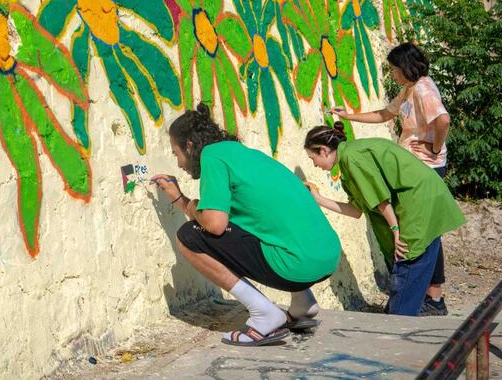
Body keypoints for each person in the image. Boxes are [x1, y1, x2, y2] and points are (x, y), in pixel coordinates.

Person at [151, 103, 342, 346]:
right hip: (326, 256)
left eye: (176, 154)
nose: (178, 163)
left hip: (297, 267)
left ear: (189, 146)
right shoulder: (245, 154)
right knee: (261, 223)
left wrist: (184, 202)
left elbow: (214, 225)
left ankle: (265, 314)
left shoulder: (212, 155)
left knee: (188, 236)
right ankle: (303, 304)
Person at [332, 42, 452, 315]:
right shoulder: (409, 89)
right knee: (426, 230)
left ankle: (432, 297)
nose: (393, 75)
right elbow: (385, 114)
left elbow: (443, 120)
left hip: (426, 168)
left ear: (407, 68)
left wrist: (434, 147)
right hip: (415, 166)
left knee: (424, 231)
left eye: (395, 70)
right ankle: (430, 296)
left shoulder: (423, 89)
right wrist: (347, 116)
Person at [303, 122, 465, 316]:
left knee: (407, 259)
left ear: (323, 150)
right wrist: (319, 200)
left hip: (418, 203)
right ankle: (402, 313)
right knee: (406, 282)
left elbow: (381, 200)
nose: (314, 165)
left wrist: (396, 232)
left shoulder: (352, 158)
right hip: (424, 201)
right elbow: (356, 211)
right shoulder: (349, 157)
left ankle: (400, 320)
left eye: (313, 158)